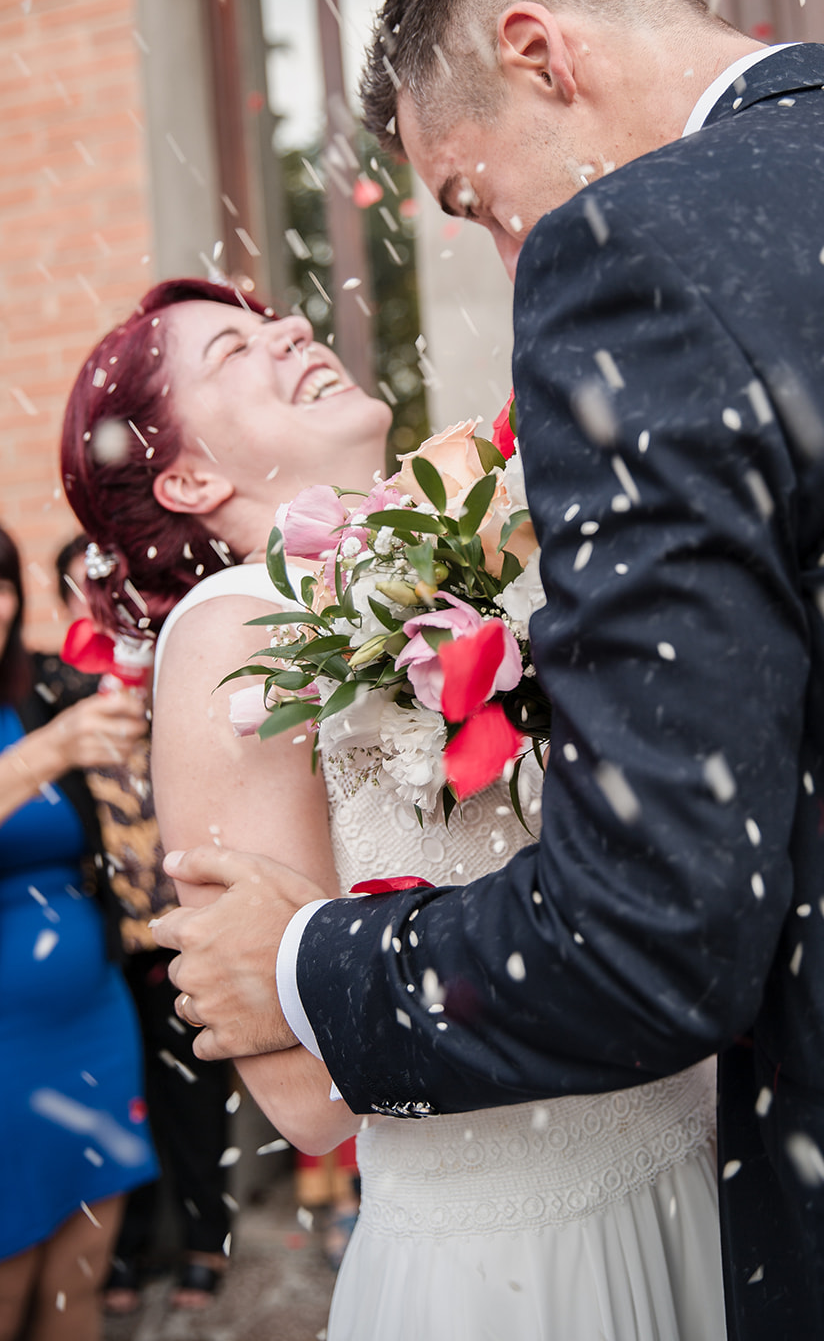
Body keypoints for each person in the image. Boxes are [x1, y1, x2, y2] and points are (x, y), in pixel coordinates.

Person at [149, 0, 824, 1339]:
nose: (505, 250)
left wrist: (303, 962)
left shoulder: (634, 253)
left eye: (471, 196)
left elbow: (659, 927)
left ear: (540, 56)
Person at [60, 277, 725, 1340]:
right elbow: (305, 1101)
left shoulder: (505, 546)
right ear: (186, 476)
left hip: (692, 1151)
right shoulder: (232, 632)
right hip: (515, 1245)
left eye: (277, 319)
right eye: (232, 350)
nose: (289, 334)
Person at [55, 538, 232, 1314]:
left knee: (196, 1091)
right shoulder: (52, 698)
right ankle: (124, 1253)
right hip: (103, 939)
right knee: (117, 1101)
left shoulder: (174, 676)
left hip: (180, 924)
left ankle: (205, 1242)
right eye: (82, 595)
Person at [0, 523, 155, 1341]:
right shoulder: (44, 730)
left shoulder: (39, 692)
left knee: (77, 1285)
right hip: (4, 1049)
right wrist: (49, 753)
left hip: (90, 1017)